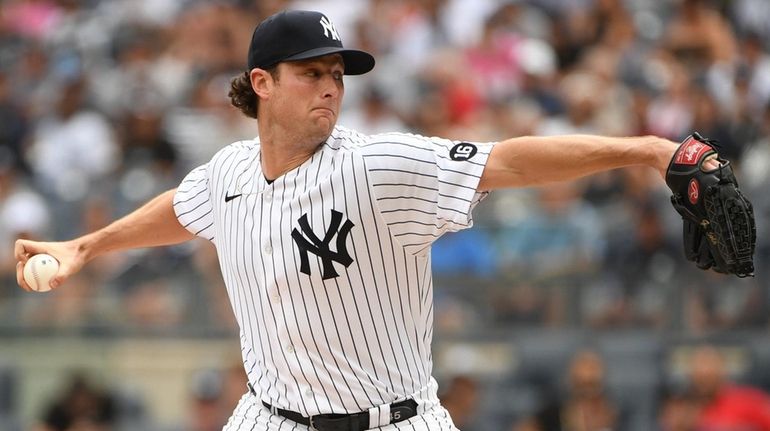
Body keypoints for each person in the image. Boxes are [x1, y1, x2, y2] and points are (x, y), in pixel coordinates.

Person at [15, 9, 714, 431]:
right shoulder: (228, 173)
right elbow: (183, 207)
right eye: (311, 73)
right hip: (270, 416)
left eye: (337, 75)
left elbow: (510, 160)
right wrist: (84, 244)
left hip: (397, 418)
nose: (329, 86)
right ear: (261, 84)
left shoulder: (377, 165)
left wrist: (646, 150)